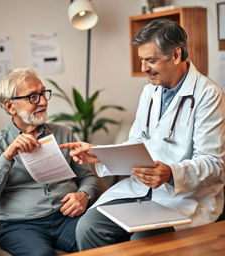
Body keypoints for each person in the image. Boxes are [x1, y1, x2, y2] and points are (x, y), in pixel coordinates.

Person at [59, 19, 225, 250]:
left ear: (176, 55)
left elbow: (214, 164)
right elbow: (137, 143)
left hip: (182, 198)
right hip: (140, 189)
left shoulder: (209, 95)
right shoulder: (150, 91)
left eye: (151, 60)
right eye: (141, 60)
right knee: (89, 226)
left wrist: (170, 173)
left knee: (144, 239)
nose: (144, 68)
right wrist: (98, 154)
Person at [0, 67, 98, 256]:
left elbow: (87, 177)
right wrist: (7, 156)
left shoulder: (63, 133)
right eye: (33, 96)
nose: (43, 101)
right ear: (10, 106)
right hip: (20, 226)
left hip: (67, 217)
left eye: (43, 93)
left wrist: (83, 195)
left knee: (99, 244)